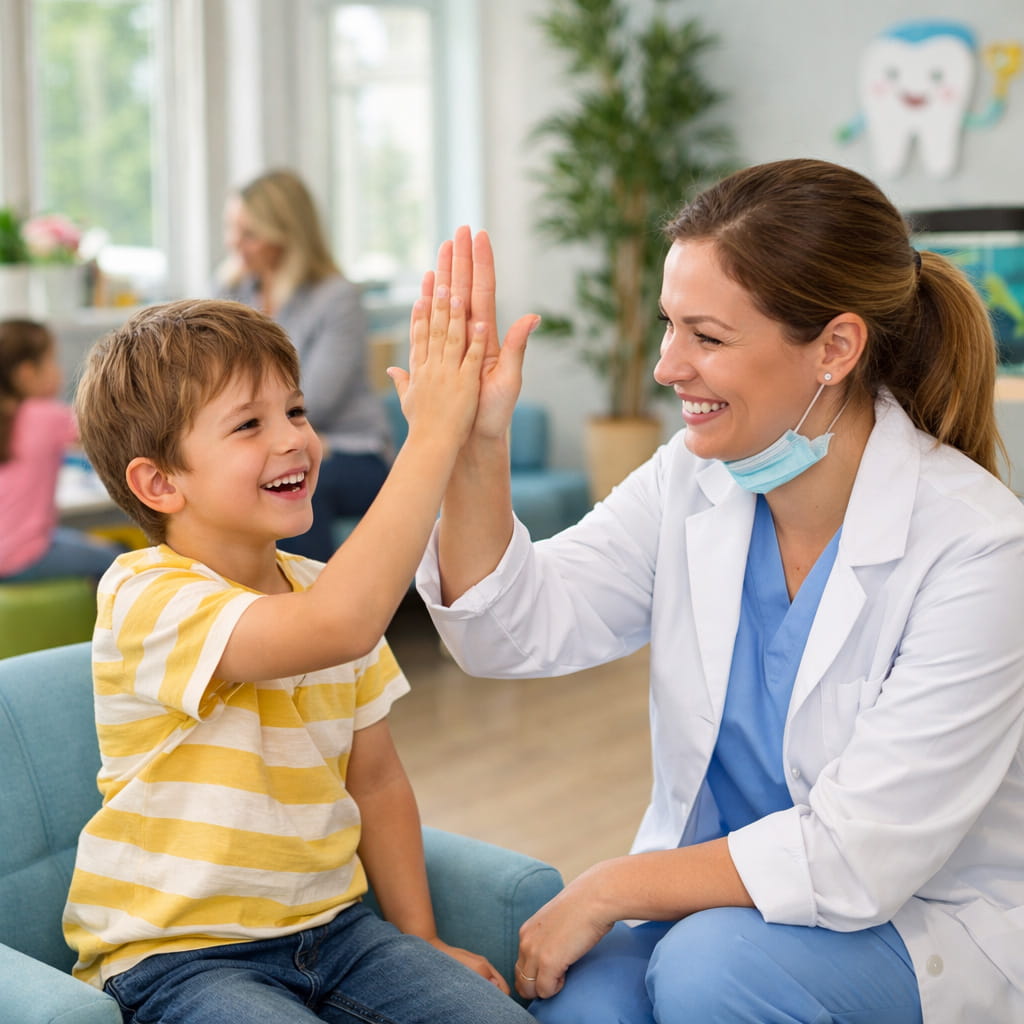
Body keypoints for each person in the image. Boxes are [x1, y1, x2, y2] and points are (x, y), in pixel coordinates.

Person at [414, 161, 1024, 1024]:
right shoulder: (693, 483)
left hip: (913, 927)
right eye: (669, 326)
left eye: (706, 335)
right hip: (707, 910)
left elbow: (859, 855)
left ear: (836, 348)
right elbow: (509, 630)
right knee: (589, 1008)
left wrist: (610, 886)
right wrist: (474, 445)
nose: (668, 367)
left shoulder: (980, 548)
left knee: (711, 968)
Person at [62, 297, 536, 1024]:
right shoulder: (144, 593)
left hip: (339, 934)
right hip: (182, 958)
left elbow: (375, 782)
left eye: (297, 411)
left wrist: (423, 936)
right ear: (160, 483)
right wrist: (432, 436)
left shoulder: (322, 588)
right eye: (250, 424)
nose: (293, 440)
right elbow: (336, 625)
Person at [218, 168, 391, 562]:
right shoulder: (232, 292)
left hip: (350, 452)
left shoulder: (336, 298)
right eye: (233, 229)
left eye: (250, 234)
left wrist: (249, 429)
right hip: (272, 444)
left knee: (296, 478)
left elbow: (314, 402)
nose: (235, 244)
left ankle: (312, 612)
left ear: (286, 234)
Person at [0, 318, 121, 582]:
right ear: (27, 373)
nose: (60, 370)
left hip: (10, 546)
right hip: (22, 555)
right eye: (52, 361)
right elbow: (107, 429)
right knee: (118, 564)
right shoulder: (45, 416)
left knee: (83, 541)